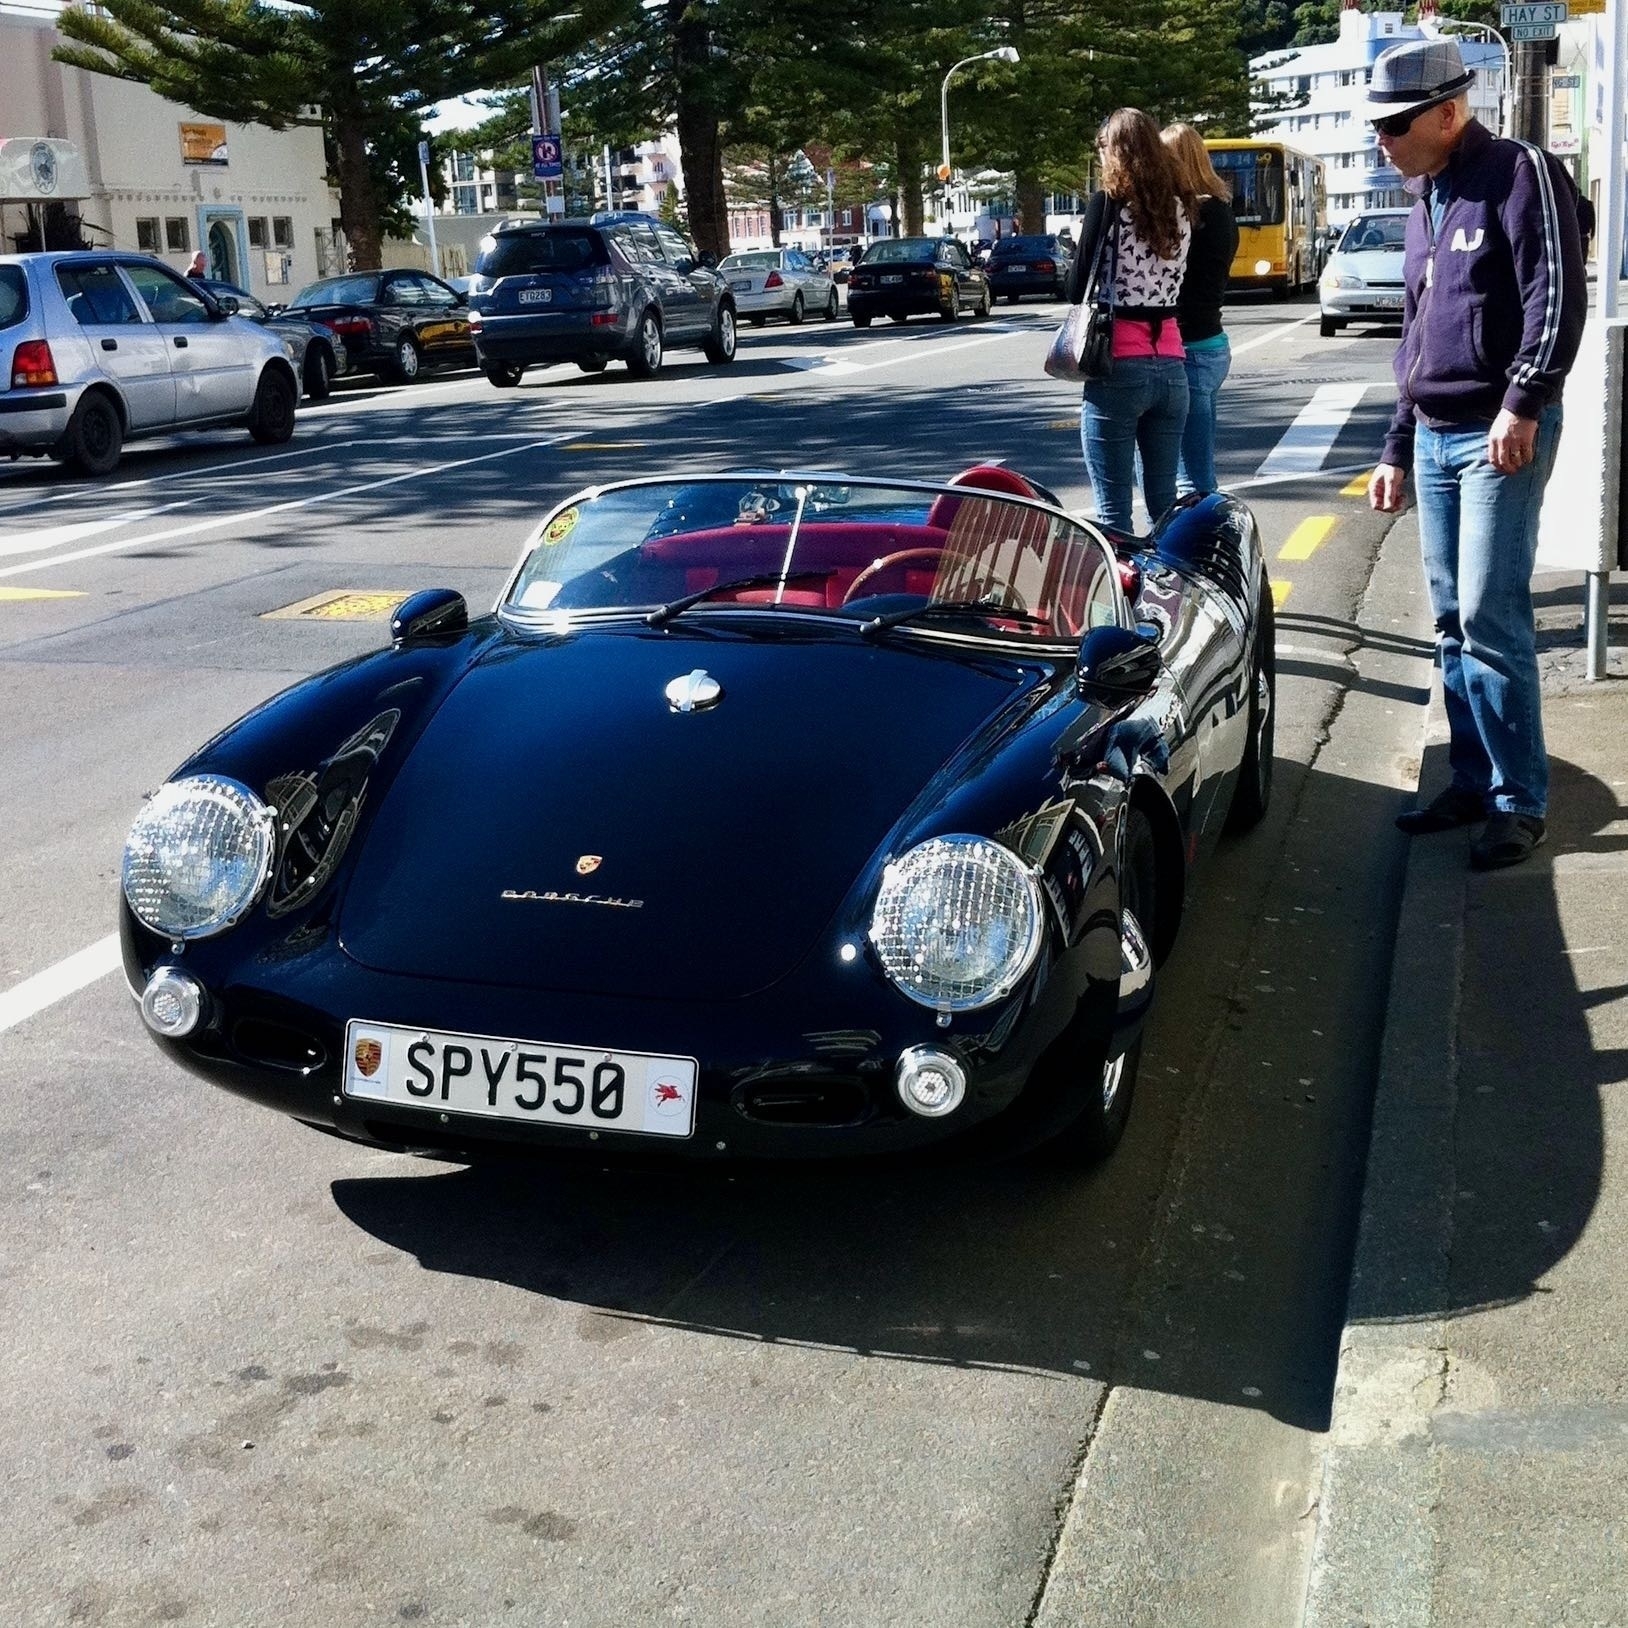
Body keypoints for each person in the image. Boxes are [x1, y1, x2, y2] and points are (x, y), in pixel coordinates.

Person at [1367, 38, 1585, 870]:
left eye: (1394, 124)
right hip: (1432, 435)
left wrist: (1523, 401)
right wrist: (1395, 442)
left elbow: (1554, 292)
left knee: (1493, 618)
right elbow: (1416, 331)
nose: (1381, 141)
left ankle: (1516, 801)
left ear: (1449, 113)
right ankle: (1469, 779)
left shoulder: (1519, 171)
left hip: (1498, 432)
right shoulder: (1428, 193)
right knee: (1453, 621)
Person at [1064, 107, 1192, 533]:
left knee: (1113, 511)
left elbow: (1075, 285)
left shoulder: (1107, 205)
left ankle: (1125, 597)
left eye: (1102, 148)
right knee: (1164, 504)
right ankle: (1174, 587)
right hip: (1172, 364)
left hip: (1119, 361)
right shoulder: (1182, 207)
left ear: (1114, 152)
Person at [1161, 123, 1239, 496]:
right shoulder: (1222, 210)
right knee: (1198, 463)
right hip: (1212, 342)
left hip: (1187, 346)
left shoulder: (1191, 216)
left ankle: (1200, 547)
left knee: (1188, 477)